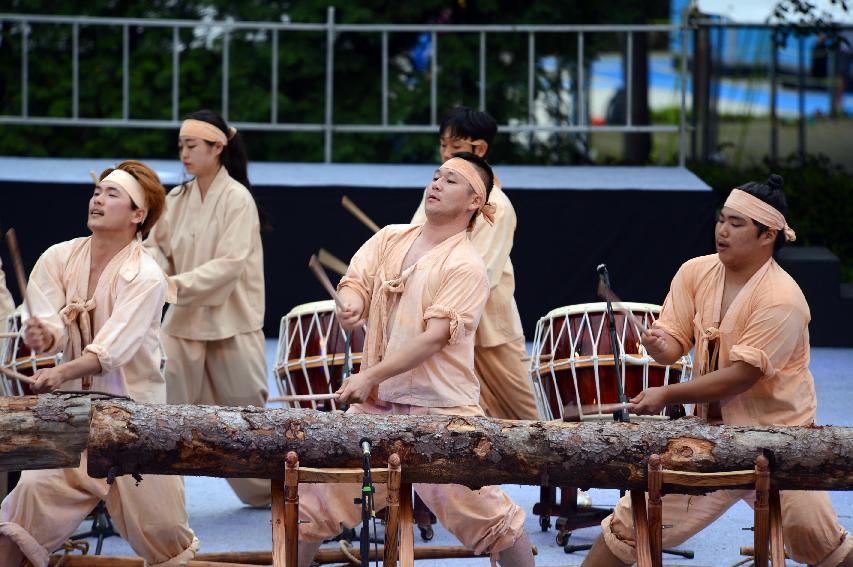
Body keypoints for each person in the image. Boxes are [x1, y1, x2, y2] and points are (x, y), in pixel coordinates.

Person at [582, 174, 853, 567]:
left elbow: (742, 376)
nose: (722, 231)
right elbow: (673, 342)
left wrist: (667, 394)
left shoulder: (783, 299)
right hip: (708, 438)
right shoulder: (695, 271)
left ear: (768, 235)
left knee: (818, 540)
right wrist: (660, 346)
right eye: (720, 219)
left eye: (735, 223)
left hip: (779, 440)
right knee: (628, 530)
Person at [295, 153, 535, 567]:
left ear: (474, 201)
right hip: (377, 406)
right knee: (309, 506)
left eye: (451, 181)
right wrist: (350, 303)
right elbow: (356, 281)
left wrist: (368, 374)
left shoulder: (467, 265)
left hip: (440, 410)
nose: (437, 183)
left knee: (494, 521)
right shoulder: (390, 237)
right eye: (436, 176)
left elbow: (433, 339)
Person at [0, 160, 198, 567]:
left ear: (137, 215)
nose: (98, 199)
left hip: (136, 422)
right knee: (25, 502)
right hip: (75, 419)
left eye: (112, 194)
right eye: (96, 192)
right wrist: (42, 335)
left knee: (166, 538)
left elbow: (113, 349)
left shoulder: (146, 276)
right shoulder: (59, 257)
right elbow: (45, 318)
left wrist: (60, 371)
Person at [144, 109, 270, 507]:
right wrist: (147, 274)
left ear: (217, 148)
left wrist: (171, 285)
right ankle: (155, 499)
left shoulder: (237, 199)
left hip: (231, 323)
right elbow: (156, 249)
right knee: (164, 416)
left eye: (191, 145)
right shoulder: (176, 199)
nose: (183, 153)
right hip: (181, 325)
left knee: (248, 421)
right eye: (180, 145)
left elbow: (229, 266)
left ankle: (276, 490)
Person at [411, 107, 538, 421]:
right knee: (468, 420)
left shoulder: (500, 207)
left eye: (454, 148)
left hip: (490, 331)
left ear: (479, 149)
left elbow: (482, 276)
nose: (445, 155)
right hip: (445, 329)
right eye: (443, 146)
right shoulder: (437, 194)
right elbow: (413, 245)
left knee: (525, 419)